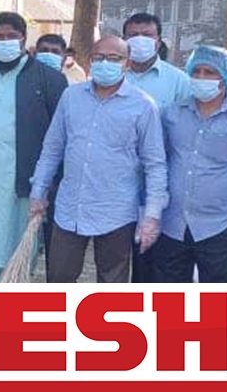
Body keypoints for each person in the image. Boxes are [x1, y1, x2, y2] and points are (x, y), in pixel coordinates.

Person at [28, 35, 168, 283]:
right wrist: (38, 191)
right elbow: (52, 149)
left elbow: (155, 164)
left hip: (116, 211)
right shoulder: (71, 97)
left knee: (111, 283)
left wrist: (152, 214)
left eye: (114, 58)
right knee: (58, 277)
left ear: (127, 63)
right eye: (99, 57)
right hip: (71, 207)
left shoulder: (143, 106)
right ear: (90, 61)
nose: (105, 63)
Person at [0, 12, 69, 282]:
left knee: (15, 247)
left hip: (22, 181)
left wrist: (49, 184)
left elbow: (60, 136)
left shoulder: (49, 79)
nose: (5, 41)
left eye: (12, 36)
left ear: (23, 38)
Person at [153, 45, 227, 283]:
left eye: (210, 72)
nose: (201, 77)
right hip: (172, 225)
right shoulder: (172, 114)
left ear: (225, 77)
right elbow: (157, 162)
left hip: (220, 227)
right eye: (197, 72)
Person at [121, 12, 190, 283]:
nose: (139, 40)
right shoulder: (113, 75)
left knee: (149, 259)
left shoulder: (178, 81)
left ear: (158, 40)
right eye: (133, 35)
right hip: (118, 181)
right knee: (114, 257)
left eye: (146, 35)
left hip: (158, 182)